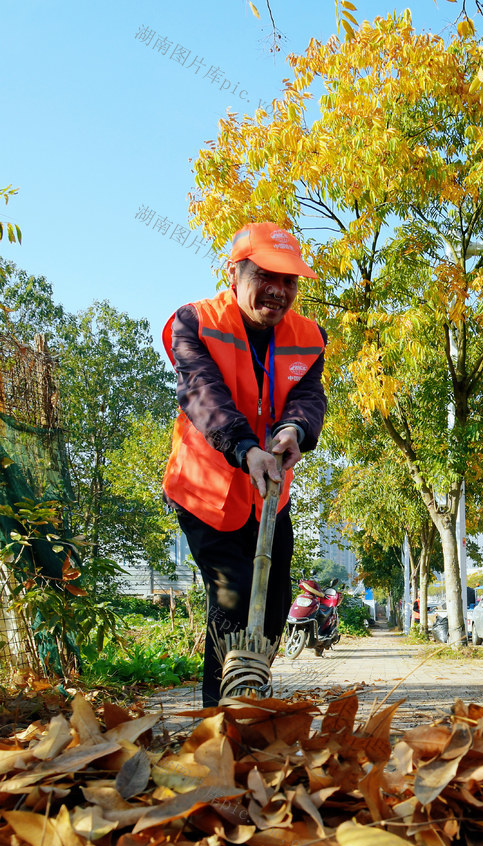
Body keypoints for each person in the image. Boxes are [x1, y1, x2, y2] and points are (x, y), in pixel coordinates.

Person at [162, 223, 327, 704]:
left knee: (275, 611)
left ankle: (250, 698)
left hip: (270, 496)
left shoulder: (309, 337)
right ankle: (222, 721)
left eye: (289, 282)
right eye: (265, 276)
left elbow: (307, 397)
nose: (278, 291)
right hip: (205, 491)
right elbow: (201, 392)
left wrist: (293, 430)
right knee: (233, 600)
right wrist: (244, 447)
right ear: (235, 272)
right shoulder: (195, 322)